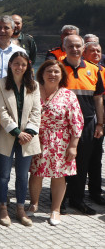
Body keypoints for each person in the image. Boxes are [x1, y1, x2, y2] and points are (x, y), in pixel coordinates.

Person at [28, 60, 84, 226]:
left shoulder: (68, 95)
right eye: (49, 71)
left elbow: (77, 122)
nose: (52, 75)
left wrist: (73, 145)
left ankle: (55, 209)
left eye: (56, 72)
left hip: (60, 141)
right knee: (36, 173)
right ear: (42, 73)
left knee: (58, 176)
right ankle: (34, 203)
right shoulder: (33, 91)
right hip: (36, 138)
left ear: (62, 75)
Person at [57, 34, 104, 215]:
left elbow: (98, 99)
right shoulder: (58, 68)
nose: (75, 49)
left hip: (88, 123)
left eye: (78, 46)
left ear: (83, 48)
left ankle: (77, 200)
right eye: (71, 46)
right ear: (64, 47)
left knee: (82, 163)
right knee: (61, 162)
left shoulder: (94, 70)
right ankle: (59, 200)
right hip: (62, 124)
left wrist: (100, 123)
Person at [0, 51, 40, 227]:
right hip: (7, 135)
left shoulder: (33, 86)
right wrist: (16, 132)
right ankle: (3, 207)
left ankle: (20, 208)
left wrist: (28, 132)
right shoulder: (0, 84)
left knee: (21, 175)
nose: (19, 67)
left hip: (28, 137)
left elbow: (37, 111)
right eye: (16, 63)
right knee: (4, 175)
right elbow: (1, 111)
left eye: (23, 64)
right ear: (10, 64)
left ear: (27, 66)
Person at [82, 42, 105, 204]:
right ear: (84, 53)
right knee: (84, 157)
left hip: (101, 120)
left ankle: (95, 191)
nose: (96, 53)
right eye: (92, 51)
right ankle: (75, 192)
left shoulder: (102, 71)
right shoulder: (85, 71)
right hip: (89, 120)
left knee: (97, 157)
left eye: (98, 51)